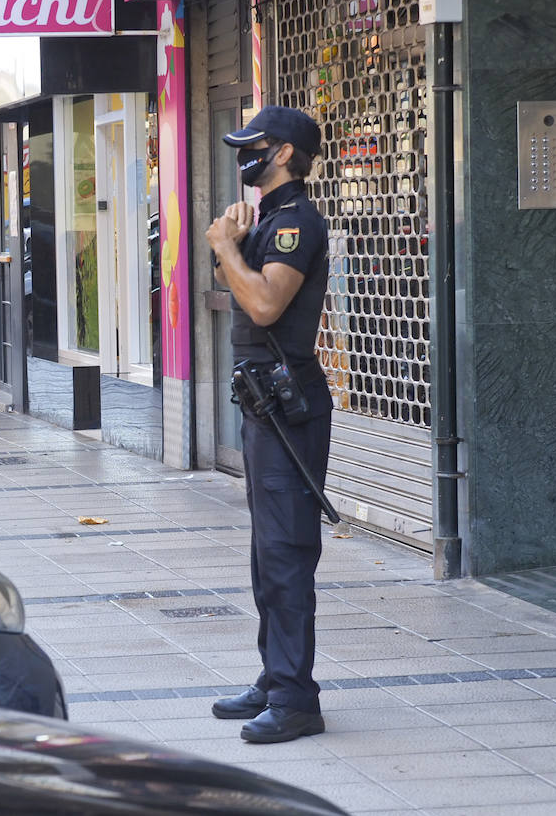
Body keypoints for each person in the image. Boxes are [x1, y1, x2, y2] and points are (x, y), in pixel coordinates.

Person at [205, 105, 333, 744]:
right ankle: (273, 677)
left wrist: (227, 245)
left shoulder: (296, 225)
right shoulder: (271, 221)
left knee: (286, 552)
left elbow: (262, 302)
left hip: (290, 406)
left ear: (283, 152)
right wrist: (234, 246)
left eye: (252, 145)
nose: (242, 155)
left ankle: (295, 697)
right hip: (265, 405)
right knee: (266, 552)